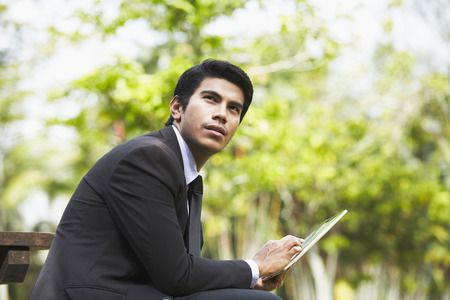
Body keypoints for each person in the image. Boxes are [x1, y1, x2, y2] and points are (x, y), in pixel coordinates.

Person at [29, 59, 304, 300]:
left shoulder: (188, 177)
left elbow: (183, 270)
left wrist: (249, 280)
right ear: (177, 107)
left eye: (234, 109)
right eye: (210, 98)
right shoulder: (147, 159)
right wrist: (255, 265)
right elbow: (176, 275)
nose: (221, 114)